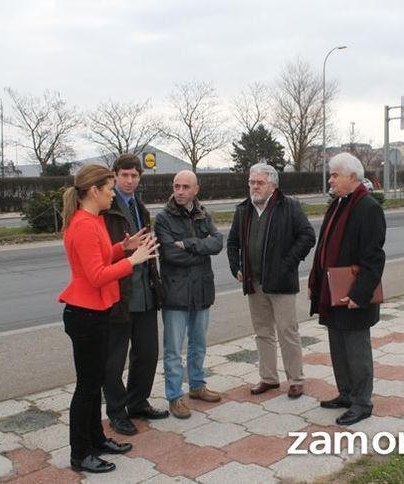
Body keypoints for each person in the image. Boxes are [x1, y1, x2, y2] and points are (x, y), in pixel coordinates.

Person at [59, 164, 159, 473]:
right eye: (108, 189)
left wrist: (122, 247)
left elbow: (101, 257)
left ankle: (96, 439)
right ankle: (80, 453)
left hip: (95, 312)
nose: (112, 194)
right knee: (87, 388)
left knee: (93, 382)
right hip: (85, 314)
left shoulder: (93, 220)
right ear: (93, 191)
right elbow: (97, 275)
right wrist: (133, 260)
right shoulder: (84, 225)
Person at [308, 153, 386, 426]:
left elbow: (374, 258)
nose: (330, 180)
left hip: (353, 293)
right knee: (338, 348)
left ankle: (362, 402)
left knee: (356, 351)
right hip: (332, 291)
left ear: (352, 177)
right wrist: (316, 284)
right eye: (330, 174)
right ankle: (346, 393)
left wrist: (359, 295)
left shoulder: (367, 208)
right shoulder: (338, 205)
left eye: (334, 175)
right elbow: (325, 248)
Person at [227, 163, 316, 399]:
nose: (255, 187)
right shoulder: (243, 210)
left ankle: (296, 380)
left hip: (281, 283)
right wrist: (235, 266)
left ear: (273, 185)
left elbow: (307, 236)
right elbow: (232, 242)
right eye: (252, 182)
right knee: (262, 332)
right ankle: (268, 378)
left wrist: (287, 264)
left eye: (260, 183)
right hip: (254, 283)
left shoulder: (289, 207)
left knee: (287, 331)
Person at [102, 154, 168, 436]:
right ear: (115, 175)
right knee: (114, 359)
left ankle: (138, 402)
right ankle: (117, 411)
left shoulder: (140, 206)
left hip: (145, 292)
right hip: (120, 293)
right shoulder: (107, 207)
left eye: (134, 176)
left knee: (147, 353)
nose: (129, 181)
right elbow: (106, 253)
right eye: (124, 175)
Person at [154, 170, 223, 419]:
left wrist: (191, 244)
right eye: (176, 186)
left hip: (202, 290)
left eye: (185, 187)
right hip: (175, 292)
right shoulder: (163, 218)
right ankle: (175, 396)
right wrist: (201, 248)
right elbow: (171, 255)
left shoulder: (203, 214)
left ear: (196, 189)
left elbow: (217, 243)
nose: (180, 191)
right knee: (173, 349)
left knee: (199, 344)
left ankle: (197, 386)